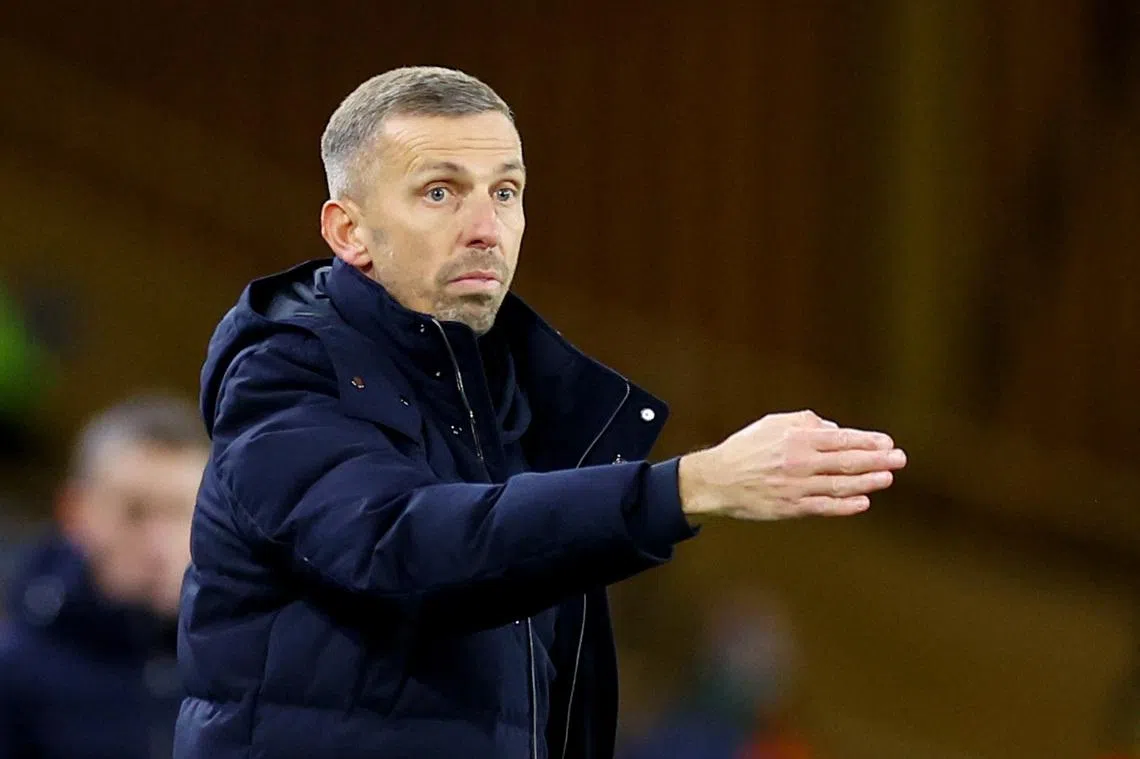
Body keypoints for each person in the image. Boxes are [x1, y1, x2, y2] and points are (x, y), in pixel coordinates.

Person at [174, 66, 907, 759]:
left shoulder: (517, 400)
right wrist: (690, 485)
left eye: (505, 192)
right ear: (348, 230)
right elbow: (398, 544)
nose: (485, 227)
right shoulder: (284, 374)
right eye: (439, 193)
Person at [0, 394, 208, 759]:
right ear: (75, 512)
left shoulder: (249, 663)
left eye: (179, 512)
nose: (157, 543)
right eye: (134, 512)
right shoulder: (14, 673)